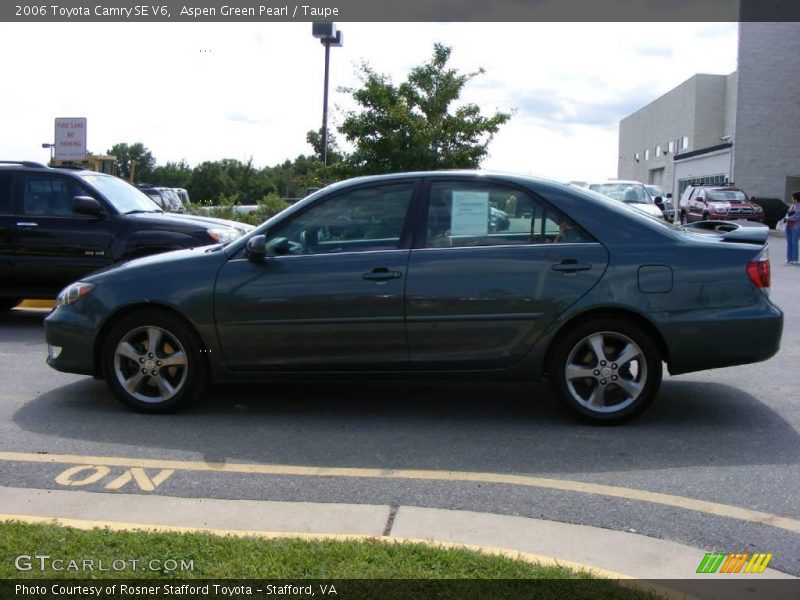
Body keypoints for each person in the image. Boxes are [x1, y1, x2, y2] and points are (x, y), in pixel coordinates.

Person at [785, 191, 800, 264]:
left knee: (794, 242)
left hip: (796, 226)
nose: (792, 198)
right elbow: (788, 213)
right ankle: (789, 258)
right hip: (789, 226)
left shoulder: (799, 206)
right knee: (789, 242)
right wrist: (786, 217)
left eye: (792, 197)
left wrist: (787, 218)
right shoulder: (792, 205)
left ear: (796, 198)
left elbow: (797, 217)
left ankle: (795, 259)